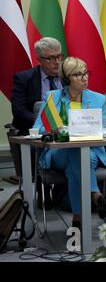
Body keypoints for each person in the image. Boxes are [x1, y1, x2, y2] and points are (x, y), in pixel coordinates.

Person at [33, 57, 106, 229]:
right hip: (58, 154)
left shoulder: (98, 99)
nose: (84, 78)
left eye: (86, 73)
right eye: (78, 75)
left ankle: (77, 220)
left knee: (76, 161)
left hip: (89, 152)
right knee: (75, 153)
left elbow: (102, 128)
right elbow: (37, 128)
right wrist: (56, 129)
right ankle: (96, 195)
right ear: (66, 79)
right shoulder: (52, 98)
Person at [11, 37, 65, 209]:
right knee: (40, 145)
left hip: (66, 132)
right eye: (51, 58)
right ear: (39, 60)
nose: (57, 62)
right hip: (36, 132)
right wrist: (45, 124)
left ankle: (64, 193)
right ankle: (43, 192)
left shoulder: (68, 77)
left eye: (59, 56)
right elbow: (18, 112)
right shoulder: (24, 78)